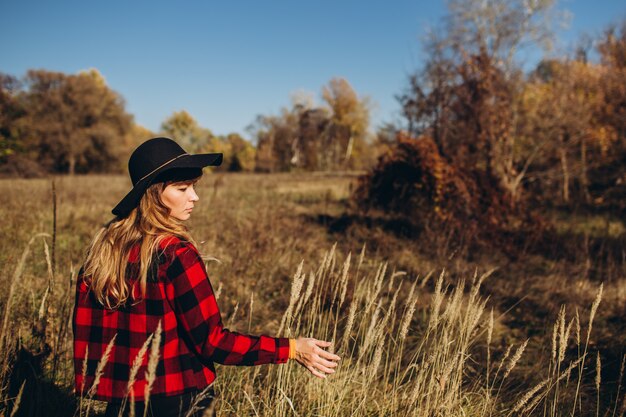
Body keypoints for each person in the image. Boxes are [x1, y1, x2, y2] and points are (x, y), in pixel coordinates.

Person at [72, 137, 341, 417]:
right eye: (182, 188)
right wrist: (292, 348)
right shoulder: (176, 254)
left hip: (121, 404)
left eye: (194, 187)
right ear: (153, 194)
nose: (194, 197)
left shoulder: (103, 252)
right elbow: (213, 342)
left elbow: (89, 338)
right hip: (180, 402)